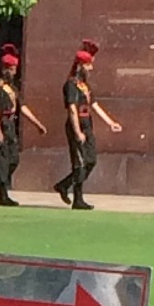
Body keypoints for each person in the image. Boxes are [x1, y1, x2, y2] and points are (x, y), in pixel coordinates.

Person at [54, 40, 122, 210]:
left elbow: (94, 105)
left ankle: (64, 185)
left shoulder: (85, 86)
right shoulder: (71, 85)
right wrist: (77, 131)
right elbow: (72, 109)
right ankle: (78, 198)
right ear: (80, 66)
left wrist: (110, 122)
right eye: (88, 65)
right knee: (80, 163)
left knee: (91, 160)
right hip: (76, 125)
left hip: (87, 124)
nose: (90, 69)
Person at [0, 46, 44, 208]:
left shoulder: (13, 89)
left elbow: (22, 107)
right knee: (3, 162)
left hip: (10, 126)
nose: (13, 72)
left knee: (13, 160)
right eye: (11, 69)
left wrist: (37, 124)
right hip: (1, 125)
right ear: (5, 69)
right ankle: (3, 195)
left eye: (14, 69)